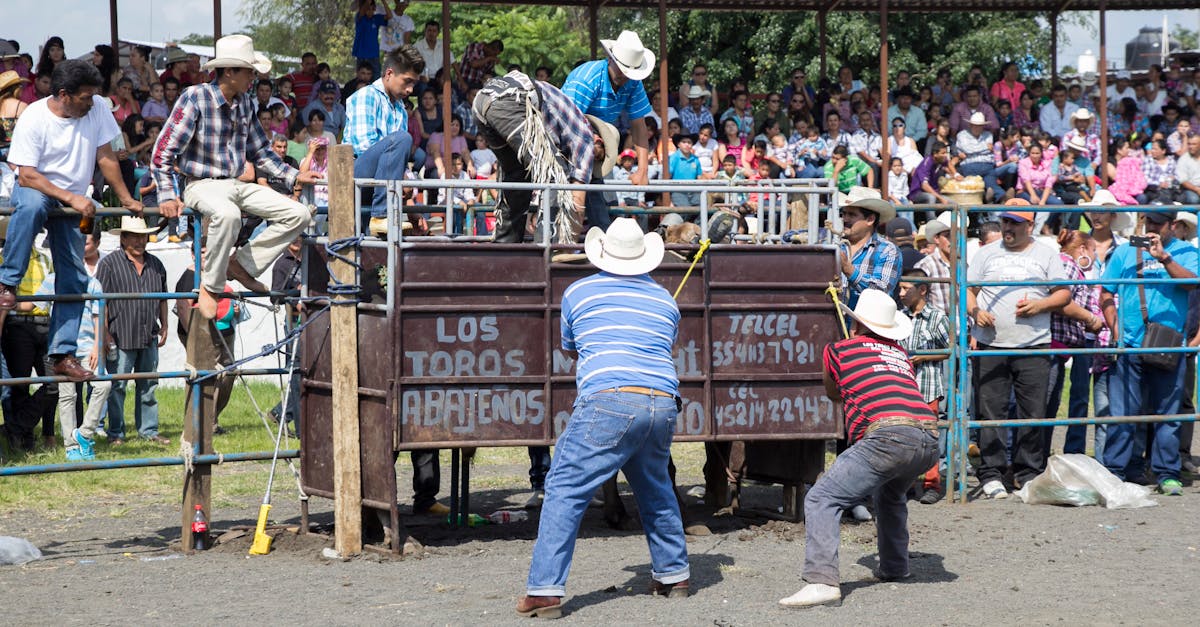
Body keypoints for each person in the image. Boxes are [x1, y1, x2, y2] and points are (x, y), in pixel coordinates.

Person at [516, 218, 689, 619]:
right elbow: (664, 347)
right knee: (655, 486)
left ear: (602, 253)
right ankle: (673, 574)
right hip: (662, 400)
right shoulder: (666, 300)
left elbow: (574, 349)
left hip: (609, 397)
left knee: (564, 488)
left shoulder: (578, 292)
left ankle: (544, 590)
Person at [778, 288, 938, 609]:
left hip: (886, 436)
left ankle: (822, 580)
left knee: (822, 497)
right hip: (929, 438)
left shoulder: (839, 350)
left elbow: (833, 392)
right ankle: (895, 566)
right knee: (891, 495)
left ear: (856, 326)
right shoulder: (901, 355)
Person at [150, 35, 317, 320]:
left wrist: (295, 176)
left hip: (237, 183)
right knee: (228, 215)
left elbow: (261, 151)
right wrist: (167, 194)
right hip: (201, 184)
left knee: (299, 214)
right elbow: (163, 150)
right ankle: (211, 287)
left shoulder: (247, 104)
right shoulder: (196, 97)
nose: (253, 77)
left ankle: (241, 265)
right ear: (230, 71)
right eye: (249, 71)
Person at [1, 59, 141, 384]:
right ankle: (7, 282)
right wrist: (72, 197)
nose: (91, 103)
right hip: (39, 187)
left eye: (93, 96)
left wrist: (125, 198)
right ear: (64, 94)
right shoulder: (34, 118)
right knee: (33, 207)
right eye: (85, 97)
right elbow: (27, 175)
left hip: (75, 197)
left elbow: (105, 156)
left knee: (75, 278)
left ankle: (62, 354)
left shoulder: (98, 109)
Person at [967, 202, 1071, 499]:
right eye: (1005, 221)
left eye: (1015, 222)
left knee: (1032, 412)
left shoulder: (1047, 254)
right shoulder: (986, 253)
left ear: (1030, 224)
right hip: (991, 343)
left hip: (1034, 343)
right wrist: (976, 312)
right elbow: (968, 290)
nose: (1008, 228)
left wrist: (1040, 305)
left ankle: (1028, 472)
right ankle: (992, 472)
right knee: (991, 411)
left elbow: (1063, 293)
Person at [1099, 210, 1197, 496]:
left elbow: (1192, 283)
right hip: (1130, 344)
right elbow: (1106, 292)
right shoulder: (1125, 252)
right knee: (1123, 413)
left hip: (1169, 346)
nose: (1151, 227)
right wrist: (1116, 332)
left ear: (1173, 225)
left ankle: (1167, 473)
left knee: (1168, 414)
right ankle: (1117, 471)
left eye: (1158, 222)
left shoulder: (1185, 252)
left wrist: (1164, 257)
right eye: (1148, 221)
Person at [472, 69, 617, 243]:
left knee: (517, 176)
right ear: (599, 142)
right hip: (511, 101)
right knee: (556, 174)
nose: (591, 164)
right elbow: (577, 201)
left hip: (483, 100)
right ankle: (550, 247)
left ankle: (505, 246)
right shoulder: (585, 138)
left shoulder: (566, 126)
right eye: (598, 158)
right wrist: (570, 244)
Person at [98, 217, 169, 446]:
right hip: (120, 333)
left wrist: (165, 324)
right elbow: (102, 302)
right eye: (135, 236)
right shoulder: (109, 264)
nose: (140, 241)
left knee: (148, 384)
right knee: (117, 386)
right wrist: (105, 332)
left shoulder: (157, 264)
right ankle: (116, 432)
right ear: (123, 238)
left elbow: (163, 298)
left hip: (148, 332)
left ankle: (148, 430)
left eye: (143, 236)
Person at [344, 44, 425, 236]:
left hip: (382, 181)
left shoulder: (401, 111)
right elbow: (364, 146)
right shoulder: (366, 95)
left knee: (402, 142)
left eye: (414, 83)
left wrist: (408, 196)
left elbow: (397, 160)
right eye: (407, 81)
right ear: (389, 74)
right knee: (402, 138)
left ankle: (383, 216)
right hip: (356, 174)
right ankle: (381, 215)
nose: (410, 89)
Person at [563, 30, 655, 188]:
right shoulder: (587, 79)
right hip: (564, 142)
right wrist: (593, 142)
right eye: (621, 68)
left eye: (630, 73)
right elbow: (567, 123)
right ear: (611, 59)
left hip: (596, 148)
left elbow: (639, 126)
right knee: (559, 202)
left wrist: (642, 170)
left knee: (599, 208)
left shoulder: (633, 82)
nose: (625, 76)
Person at [837, 187, 900, 309]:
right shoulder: (835, 245)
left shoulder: (887, 250)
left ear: (870, 219)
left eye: (851, 214)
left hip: (865, 325)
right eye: (843, 214)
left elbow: (882, 293)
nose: (844, 219)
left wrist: (849, 271)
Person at [352, 0, 392, 80]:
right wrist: (367, 2)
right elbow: (363, 8)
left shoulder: (376, 18)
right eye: (368, 9)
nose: (370, 11)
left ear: (375, 9)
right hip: (361, 54)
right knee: (361, 80)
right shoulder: (359, 17)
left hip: (373, 54)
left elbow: (389, 16)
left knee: (376, 79)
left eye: (372, 9)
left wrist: (383, 1)